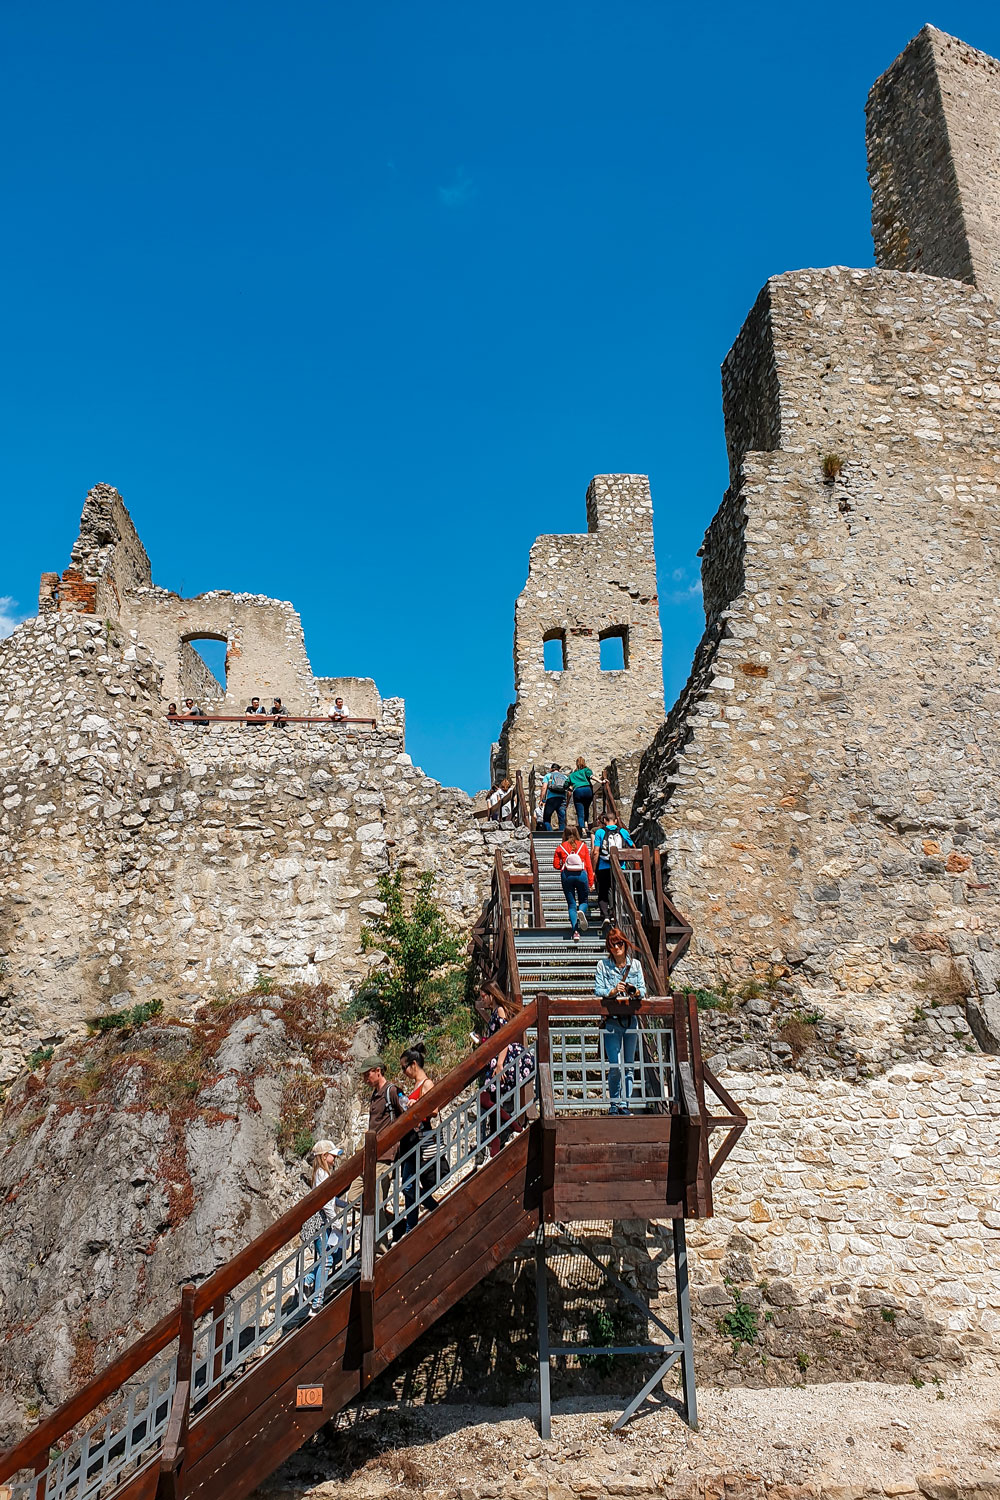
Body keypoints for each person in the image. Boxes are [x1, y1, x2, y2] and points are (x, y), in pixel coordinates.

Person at [346, 1056, 405, 1238]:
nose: (365, 1079)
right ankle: (393, 1222)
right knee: (353, 1196)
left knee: (377, 1200)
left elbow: (406, 1112)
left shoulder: (392, 1091)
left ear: (378, 1071)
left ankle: (378, 1248)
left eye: (367, 1074)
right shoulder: (376, 1095)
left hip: (386, 1155)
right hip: (372, 1156)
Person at [594, 927, 646, 1114]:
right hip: (612, 1020)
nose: (617, 947)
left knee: (629, 1065)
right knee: (615, 1065)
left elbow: (643, 991)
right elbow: (598, 991)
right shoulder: (602, 965)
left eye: (619, 943)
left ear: (625, 944)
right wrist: (613, 991)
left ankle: (625, 1103)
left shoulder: (636, 966)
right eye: (613, 944)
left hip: (630, 1018)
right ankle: (614, 1103)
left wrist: (635, 991)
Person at [478, 991, 535, 1155]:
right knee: (492, 1103)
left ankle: (514, 1124)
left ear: (491, 995)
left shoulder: (500, 1010)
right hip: (497, 1059)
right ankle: (496, 1150)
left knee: (486, 1098)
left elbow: (505, 1037)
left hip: (503, 1060)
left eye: (483, 996)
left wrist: (501, 1064)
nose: (482, 1000)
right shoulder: (495, 1012)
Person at [399, 1044, 448, 1230]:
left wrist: (416, 1105)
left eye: (404, 1067)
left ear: (413, 1064)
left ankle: (435, 1210)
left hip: (421, 1141)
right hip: (413, 1142)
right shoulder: (417, 1085)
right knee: (408, 1185)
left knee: (409, 1186)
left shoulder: (427, 1084)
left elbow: (434, 1109)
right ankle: (411, 1226)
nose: (403, 1072)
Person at [303, 1139, 346, 1315]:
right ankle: (316, 1302)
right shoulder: (322, 1174)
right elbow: (327, 1204)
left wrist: (346, 1204)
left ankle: (307, 1282)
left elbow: (331, 1200)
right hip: (319, 1223)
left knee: (333, 1255)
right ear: (324, 1156)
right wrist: (337, 1224)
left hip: (322, 1222)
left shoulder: (321, 1174)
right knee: (327, 1259)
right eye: (332, 1155)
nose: (334, 1158)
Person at [592, 814, 635, 933]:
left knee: (603, 891)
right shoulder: (623, 832)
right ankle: (615, 914)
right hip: (619, 867)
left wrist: (594, 869)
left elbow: (596, 852)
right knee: (617, 890)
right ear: (616, 821)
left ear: (604, 820)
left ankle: (605, 915)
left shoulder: (599, 832)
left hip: (603, 866)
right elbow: (633, 846)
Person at [553, 828, 593, 942]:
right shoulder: (583, 846)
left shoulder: (560, 847)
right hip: (581, 874)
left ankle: (575, 932)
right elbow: (589, 865)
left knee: (571, 904)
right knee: (584, 901)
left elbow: (556, 865)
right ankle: (581, 911)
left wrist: (563, 862)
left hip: (567, 875)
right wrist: (591, 882)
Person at [568, 757, 595, 832]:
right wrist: (601, 781)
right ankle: (586, 824)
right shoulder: (586, 770)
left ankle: (583, 829)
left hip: (578, 791)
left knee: (580, 811)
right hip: (588, 790)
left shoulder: (572, 775)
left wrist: (568, 788)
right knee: (586, 808)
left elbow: (566, 784)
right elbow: (591, 777)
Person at [540, 763, 569, 833]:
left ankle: (550, 833)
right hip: (562, 799)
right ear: (558, 769)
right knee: (562, 820)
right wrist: (567, 800)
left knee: (546, 819)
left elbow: (544, 788)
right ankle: (561, 835)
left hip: (551, 799)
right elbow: (569, 790)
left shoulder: (548, 775)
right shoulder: (564, 777)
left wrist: (542, 799)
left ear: (551, 769)